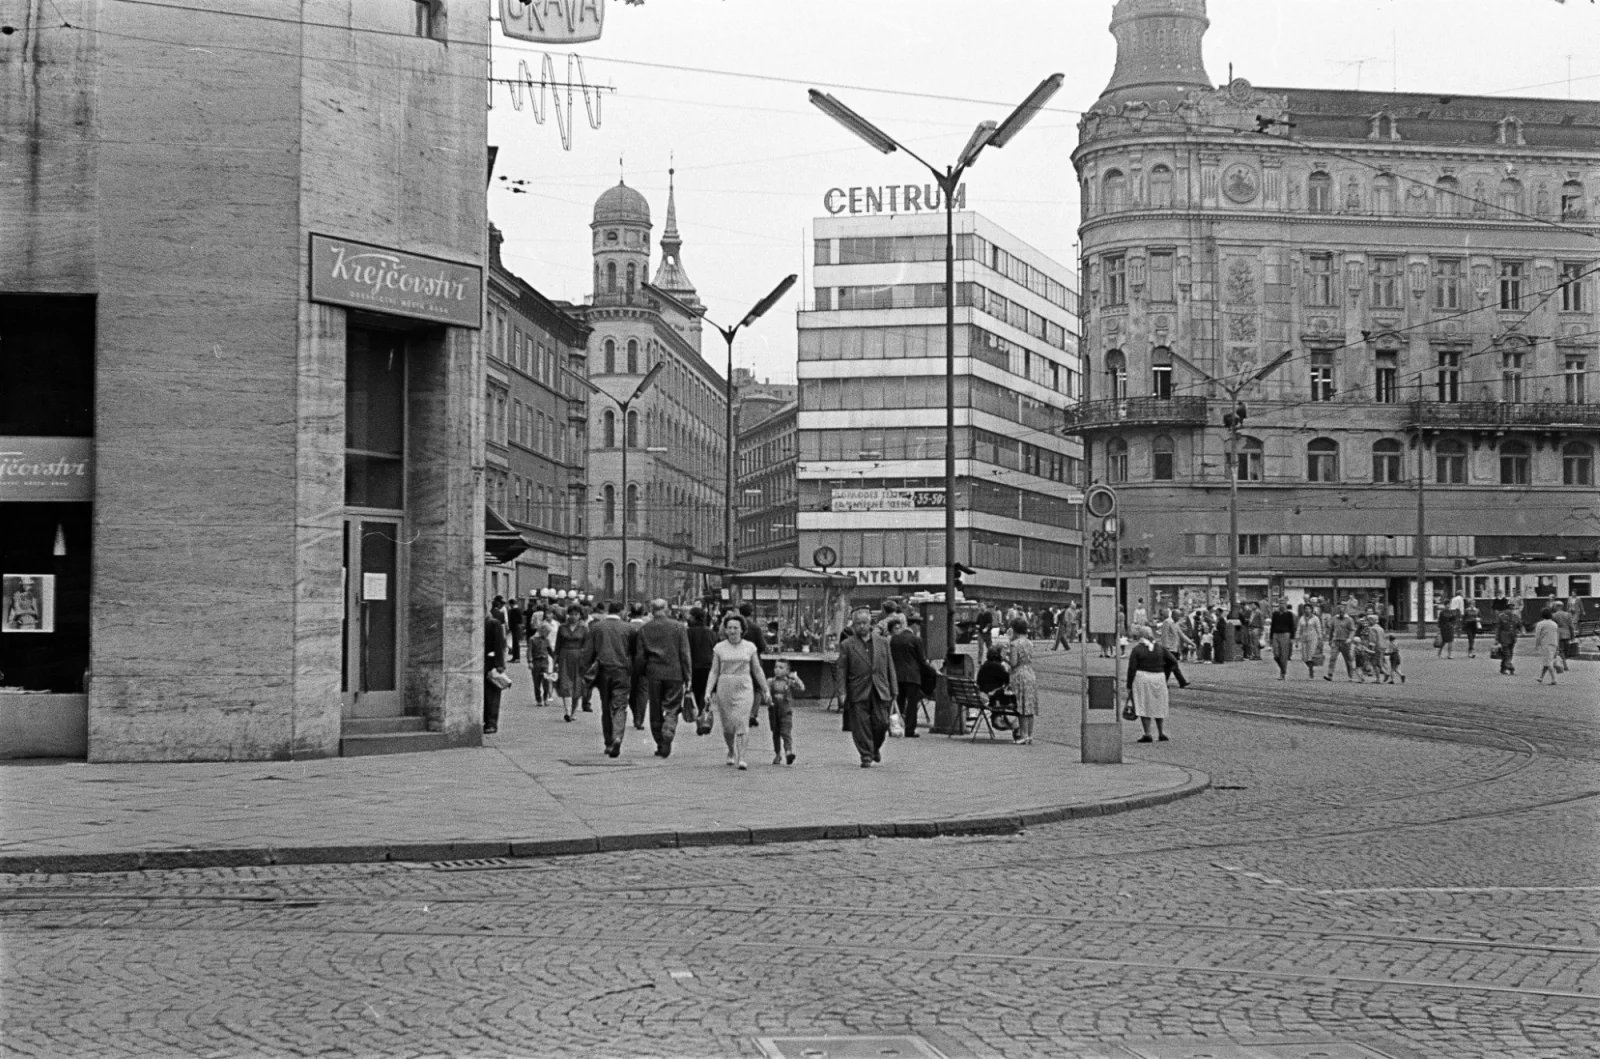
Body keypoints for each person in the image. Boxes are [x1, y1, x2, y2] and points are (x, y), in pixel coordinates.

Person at [706, 613, 769, 770]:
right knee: (728, 726)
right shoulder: (719, 648)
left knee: (742, 722)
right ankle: (731, 750)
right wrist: (708, 691)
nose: (732, 631)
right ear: (725, 630)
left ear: (742, 630)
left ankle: (742, 756)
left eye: (736, 628)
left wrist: (765, 689)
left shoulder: (749, 647)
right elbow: (714, 671)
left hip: (744, 686)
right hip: (725, 685)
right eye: (729, 628)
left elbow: (757, 669)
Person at [634, 598, 694, 759]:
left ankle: (660, 742)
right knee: (673, 706)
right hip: (675, 673)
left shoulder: (644, 629)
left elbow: (640, 656)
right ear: (666, 609)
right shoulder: (679, 627)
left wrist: (639, 672)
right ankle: (668, 729)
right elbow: (685, 654)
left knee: (655, 709)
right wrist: (688, 676)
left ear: (651, 610)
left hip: (654, 673)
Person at [836, 606, 895, 768]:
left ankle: (874, 747)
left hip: (879, 689)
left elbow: (890, 667)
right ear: (853, 625)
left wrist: (894, 690)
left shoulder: (883, 643)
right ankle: (866, 755)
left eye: (864, 623)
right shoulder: (847, 644)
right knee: (860, 725)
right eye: (858, 623)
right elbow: (841, 670)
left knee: (881, 722)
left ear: (870, 623)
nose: (861, 626)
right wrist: (841, 692)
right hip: (858, 689)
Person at [582, 601, 638, 758]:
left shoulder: (596, 627)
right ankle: (618, 736)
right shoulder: (629, 629)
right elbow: (634, 653)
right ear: (621, 612)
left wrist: (585, 671)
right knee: (620, 706)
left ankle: (608, 742)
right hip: (622, 671)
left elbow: (588, 652)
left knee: (606, 707)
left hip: (603, 672)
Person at [1125, 624, 1187, 743]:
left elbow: (1132, 668)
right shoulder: (1160, 648)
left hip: (1142, 677)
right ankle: (1161, 732)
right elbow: (1173, 661)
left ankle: (1147, 733)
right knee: (1159, 704)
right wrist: (1164, 670)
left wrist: (1129, 684)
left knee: (1144, 705)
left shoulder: (1137, 649)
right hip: (1159, 677)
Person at [889, 612, 930, 739]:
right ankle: (910, 730)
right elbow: (922, 661)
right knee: (912, 704)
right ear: (915, 626)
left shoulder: (894, 639)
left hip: (897, 676)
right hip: (913, 677)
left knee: (899, 703)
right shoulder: (915, 640)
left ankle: (897, 727)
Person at [1003, 616, 1039, 745]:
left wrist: (1004, 657)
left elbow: (1013, 663)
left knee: (1021, 706)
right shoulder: (1029, 642)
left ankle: (1023, 734)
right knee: (1029, 706)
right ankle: (1029, 735)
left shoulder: (1014, 644)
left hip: (1019, 675)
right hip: (1030, 673)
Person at [766, 658, 805, 765]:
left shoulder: (789, 682)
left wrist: (796, 678)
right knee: (775, 733)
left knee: (785, 733)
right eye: (776, 667)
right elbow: (766, 693)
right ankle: (777, 754)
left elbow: (802, 688)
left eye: (781, 667)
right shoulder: (770, 681)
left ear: (787, 671)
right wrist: (768, 698)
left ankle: (788, 753)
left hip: (786, 712)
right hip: (773, 713)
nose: (777, 669)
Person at [555, 609, 591, 721]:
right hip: (564, 656)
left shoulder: (584, 628)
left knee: (577, 684)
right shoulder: (562, 628)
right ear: (568, 615)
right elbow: (558, 644)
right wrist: (555, 660)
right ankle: (567, 711)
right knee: (565, 683)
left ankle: (573, 712)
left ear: (580, 615)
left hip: (578, 657)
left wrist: (586, 661)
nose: (573, 616)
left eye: (576, 614)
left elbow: (587, 645)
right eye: (571, 614)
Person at [686, 606, 716, 723]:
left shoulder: (688, 632)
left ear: (694, 617)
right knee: (705, 690)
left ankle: (701, 712)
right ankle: (703, 712)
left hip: (693, 667)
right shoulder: (711, 632)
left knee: (697, 690)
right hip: (708, 666)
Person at [975, 646, 1014, 730]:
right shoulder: (997, 666)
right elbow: (1009, 679)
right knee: (1014, 697)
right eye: (1004, 653)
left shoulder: (986, 664)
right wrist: (1009, 663)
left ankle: (998, 718)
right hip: (993, 695)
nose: (1005, 655)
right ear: (998, 655)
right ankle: (1010, 723)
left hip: (985, 692)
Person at [483, 608, 508, 735]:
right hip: (487, 663)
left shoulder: (493, 623)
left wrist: (499, 664)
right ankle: (488, 722)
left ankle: (491, 723)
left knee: (491, 695)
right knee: (488, 695)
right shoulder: (489, 623)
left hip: (491, 664)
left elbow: (499, 644)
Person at [1325, 605, 1358, 681]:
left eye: (1342, 611)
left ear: (1345, 612)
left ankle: (1351, 676)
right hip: (1336, 641)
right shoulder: (1334, 619)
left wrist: (1350, 638)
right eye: (1339, 611)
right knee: (1332, 658)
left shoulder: (1349, 620)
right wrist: (1330, 640)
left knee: (1348, 659)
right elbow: (1331, 629)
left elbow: (1352, 630)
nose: (1341, 613)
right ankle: (1330, 674)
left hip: (1345, 642)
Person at [527, 611, 552, 707]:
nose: (548, 634)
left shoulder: (547, 640)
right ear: (542, 630)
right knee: (536, 682)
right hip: (536, 661)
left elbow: (550, 651)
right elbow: (529, 651)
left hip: (545, 662)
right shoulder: (532, 639)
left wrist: (557, 660)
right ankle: (538, 699)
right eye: (547, 632)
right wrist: (530, 661)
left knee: (546, 681)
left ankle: (545, 698)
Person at [1295, 603, 1324, 679]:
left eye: (1308, 608)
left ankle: (1311, 671)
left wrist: (1320, 638)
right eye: (1305, 609)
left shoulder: (1315, 618)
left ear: (1311, 610)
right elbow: (1298, 629)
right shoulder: (1301, 618)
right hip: (1304, 639)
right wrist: (1297, 639)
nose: (1307, 610)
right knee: (1304, 657)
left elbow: (1318, 628)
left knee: (1310, 656)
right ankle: (1310, 667)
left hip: (1313, 638)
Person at [1533, 607, 1561, 685]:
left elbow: (1538, 635)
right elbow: (1557, 634)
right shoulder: (1554, 624)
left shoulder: (1540, 624)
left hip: (1545, 644)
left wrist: (1536, 645)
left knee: (1548, 662)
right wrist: (1557, 646)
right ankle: (1541, 677)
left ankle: (1554, 679)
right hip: (1554, 643)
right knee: (1547, 660)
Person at [1269, 602, 1297, 680]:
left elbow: (1292, 626)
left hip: (1285, 634)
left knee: (1284, 655)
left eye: (1283, 604)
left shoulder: (1289, 614)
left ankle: (1282, 673)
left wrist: (1292, 637)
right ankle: (1283, 669)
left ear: (1285, 605)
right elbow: (1272, 625)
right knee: (1276, 655)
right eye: (1280, 603)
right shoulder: (1275, 614)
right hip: (1276, 634)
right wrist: (1270, 637)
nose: (1281, 605)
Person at [1494, 599, 1521, 676]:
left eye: (1512, 609)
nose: (1511, 611)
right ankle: (1510, 667)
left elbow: (1519, 625)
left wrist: (1522, 630)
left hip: (1512, 638)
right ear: (1506, 609)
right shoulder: (1501, 617)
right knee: (1507, 653)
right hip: (1504, 638)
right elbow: (1498, 628)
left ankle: (1503, 668)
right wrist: (1496, 639)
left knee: (1510, 653)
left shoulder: (1515, 617)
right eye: (1510, 609)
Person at [1552, 601, 1576, 673]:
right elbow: (1571, 626)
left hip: (1559, 634)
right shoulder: (1568, 614)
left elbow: (1553, 626)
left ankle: (1564, 664)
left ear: (1556, 607)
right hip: (1567, 634)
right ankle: (1564, 664)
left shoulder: (1553, 615)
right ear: (1562, 606)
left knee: (1561, 650)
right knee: (1565, 650)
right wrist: (1572, 635)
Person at [506, 598, 524, 663]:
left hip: (515, 627)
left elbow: (513, 620)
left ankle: (517, 658)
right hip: (516, 627)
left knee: (516, 643)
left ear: (511, 604)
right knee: (515, 643)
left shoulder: (514, 610)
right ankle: (515, 657)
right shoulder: (517, 609)